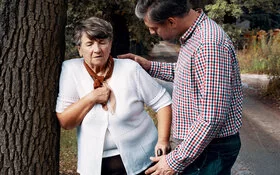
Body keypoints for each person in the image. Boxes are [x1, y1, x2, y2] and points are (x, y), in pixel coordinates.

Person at [117, 0, 243, 174]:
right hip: (201, 147)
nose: (151, 32)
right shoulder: (194, 36)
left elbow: (212, 117)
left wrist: (174, 161)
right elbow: (187, 73)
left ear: (171, 21)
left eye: (154, 28)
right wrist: (149, 66)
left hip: (209, 150)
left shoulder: (208, 45)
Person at [55, 16, 172, 175]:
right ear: (79, 49)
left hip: (144, 162)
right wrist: (92, 98)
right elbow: (66, 122)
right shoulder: (70, 70)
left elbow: (163, 102)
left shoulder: (130, 69)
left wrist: (163, 141)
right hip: (94, 167)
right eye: (89, 44)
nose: (97, 49)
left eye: (102, 42)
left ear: (110, 44)